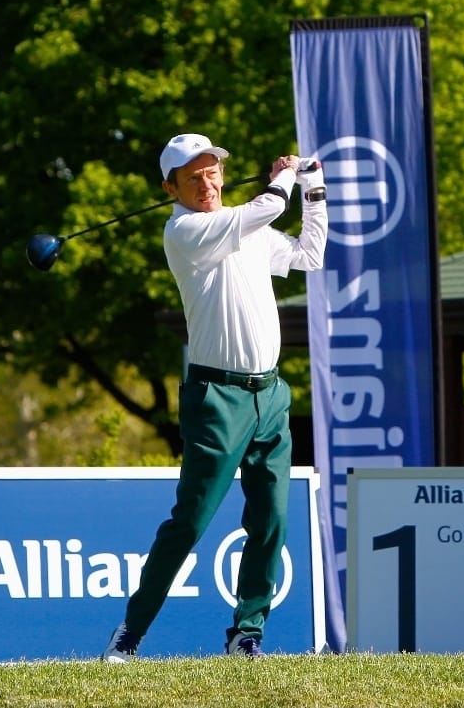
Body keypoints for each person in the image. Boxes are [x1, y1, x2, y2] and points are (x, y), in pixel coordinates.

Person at [102, 133, 327, 662]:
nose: (206, 183)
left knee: (272, 519)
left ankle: (247, 632)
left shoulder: (247, 225)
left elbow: (309, 255)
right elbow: (268, 205)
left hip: (269, 394)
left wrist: (313, 188)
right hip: (216, 398)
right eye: (193, 176)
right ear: (171, 187)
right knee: (192, 521)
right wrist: (285, 177)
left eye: (212, 172)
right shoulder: (185, 230)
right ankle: (130, 633)